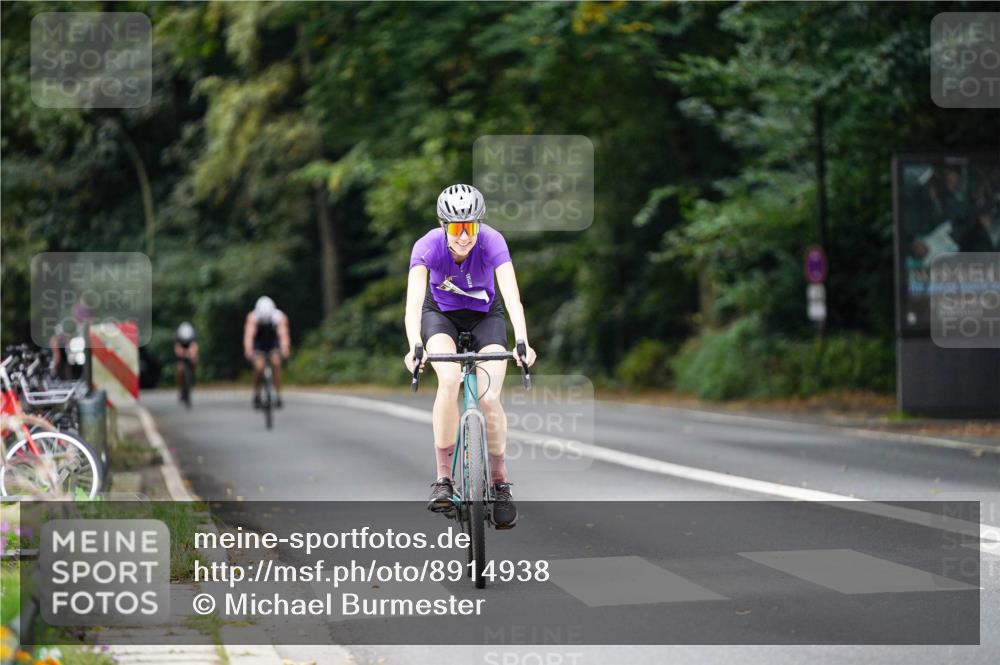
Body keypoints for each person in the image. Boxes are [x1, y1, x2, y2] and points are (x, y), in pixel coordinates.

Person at [403, 184, 536, 529]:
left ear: (480, 225)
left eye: (471, 227)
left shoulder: (493, 242)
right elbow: (413, 305)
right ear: (443, 225)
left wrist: (522, 340)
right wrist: (414, 345)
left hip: (485, 316)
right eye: (457, 228)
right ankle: (444, 480)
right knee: (448, 381)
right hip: (441, 316)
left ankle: (500, 483)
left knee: (490, 397)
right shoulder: (427, 246)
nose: (464, 237)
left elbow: (512, 298)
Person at [243, 296, 290, 409]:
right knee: (259, 367)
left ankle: (278, 395)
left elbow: (283, 335)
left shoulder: (279, 317)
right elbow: (249, 336)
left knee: (276, 364)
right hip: (259, 342)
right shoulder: (253, 317)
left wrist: (285, 348)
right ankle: (257, 393)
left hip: (273, 341)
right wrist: (248, 350)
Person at [174, 322, 199, 401]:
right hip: (181, 354)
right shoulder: (178, 337)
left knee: (195, 361)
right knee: (180, 370)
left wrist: (192, 355)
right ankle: (181, 388)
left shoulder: (193, 337)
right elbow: (177, 348)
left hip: (190, 352)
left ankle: (193, 376)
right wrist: (182, 353)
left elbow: (194, 347)